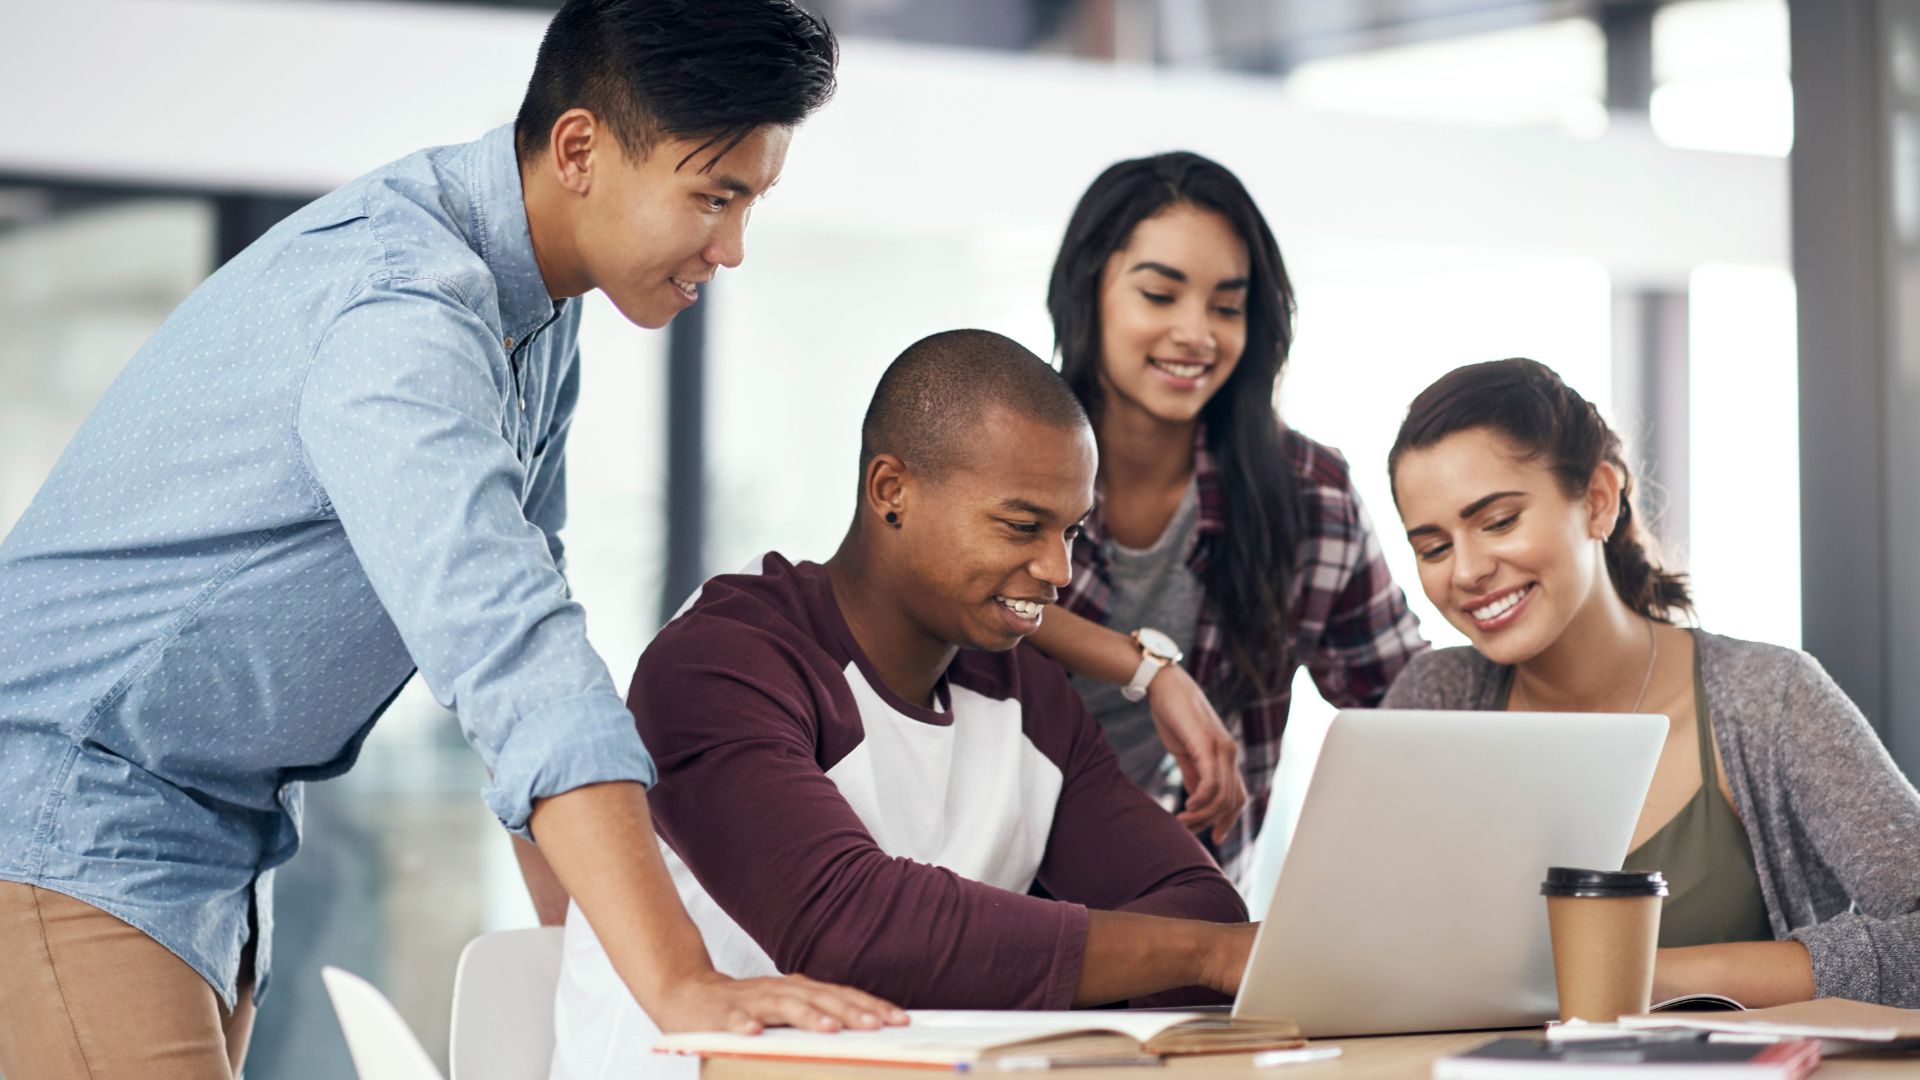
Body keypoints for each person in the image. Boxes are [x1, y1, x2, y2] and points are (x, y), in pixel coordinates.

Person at [0, 3, 904, 1076]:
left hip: (206, 840)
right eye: (714, 196)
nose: (733, 248)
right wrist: (677, 979)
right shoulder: (404, 310)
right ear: (580, 150)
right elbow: (510, 653)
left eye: (752, 201)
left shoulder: (536, 311)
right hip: (73, 811)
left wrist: (585, 966)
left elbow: (531, 604)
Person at [550, 330, 1256, 1080]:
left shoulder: (1027, 694)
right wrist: (1200, 956)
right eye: (1022, 526)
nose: (1059, 569)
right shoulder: (721, 663)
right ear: (891, 491)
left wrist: (971, 950)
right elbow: (854, 930)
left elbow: (1203, 906)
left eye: (1071, 530)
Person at [1381, 357, 1920, 1008]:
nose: (1466, 571)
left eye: (1499, 522)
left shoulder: (1768, 698)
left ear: (1598, 500)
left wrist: (1624, 976)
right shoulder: (1433, 699)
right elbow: (1354, 943)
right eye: (1434, 548)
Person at [1028, 152, 1426, 881]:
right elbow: (929, 600)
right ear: (1089, 293)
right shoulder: (1005, 453)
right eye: (1159, 295)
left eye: (1226, 307)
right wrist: (1150, 671)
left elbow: (1409, 712)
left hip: (1187, 910)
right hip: (990, 896)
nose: (1197, 334)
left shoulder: (1309, 495)